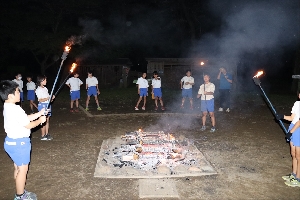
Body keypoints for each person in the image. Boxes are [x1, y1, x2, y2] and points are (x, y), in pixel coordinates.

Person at [0, 80, 47, 200]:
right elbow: (28, 125)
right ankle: (20, 195)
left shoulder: (7, 106)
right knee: (23, 170)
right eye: (17, 91)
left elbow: (25, 118)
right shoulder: (16, 109)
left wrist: (39, 113)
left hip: (10, 143)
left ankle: (20, 189)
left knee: (17, 167)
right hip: (20, 144)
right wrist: (40, 121)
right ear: (10, 95)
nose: (19, 93)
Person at [276, 93, 300, 187]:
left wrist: (291, 131)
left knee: (299, 156)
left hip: (298, 130)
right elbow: (292, 118)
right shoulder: (297, 104)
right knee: (293, 154)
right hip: (293, 127)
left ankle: (298, 179)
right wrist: (282, 116)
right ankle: (293, 174)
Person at [35, 75, 54, 141]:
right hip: (42, 105)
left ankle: (47, 134)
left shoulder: (45, 89)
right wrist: (48, 98)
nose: (46, 81)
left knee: (47, 120)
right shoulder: (38, 89)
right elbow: (40, 100)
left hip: (47, 105)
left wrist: (51, 98)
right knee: (43, 120)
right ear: (41, 81)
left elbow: (48, 99)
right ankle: (43, 135)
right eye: (45, 80)